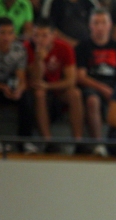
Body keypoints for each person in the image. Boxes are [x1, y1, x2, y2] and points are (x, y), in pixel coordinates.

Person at [76, 8, 116, 157]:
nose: (100, 27)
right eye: (96, 23)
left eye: (103, 23)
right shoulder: (83, 46)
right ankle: (98, 144)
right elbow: (80, 76)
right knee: (92, 100)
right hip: (92, 86)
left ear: (110, 25)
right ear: (90, 25)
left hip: (114, 87)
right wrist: (103, 88)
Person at [25, 17, 84, 153]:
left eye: (44, 35)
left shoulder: (64, 48)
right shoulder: (27, 48)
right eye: (36, 35)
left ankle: (78, 142)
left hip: (56, 88)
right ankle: (48, 142)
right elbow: (35, 80)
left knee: (75, 93)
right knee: (39, 93)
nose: (40, 39)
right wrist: (39, 60)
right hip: (36, 91)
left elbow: (71, 80)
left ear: (53, 35)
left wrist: (49, 86)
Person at [0, 16, 34, 153]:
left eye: (10, 33)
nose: (6, 37)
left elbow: (21, 77)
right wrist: (3, 88)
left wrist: (19, 89)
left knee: (26, 97)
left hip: (10, 85)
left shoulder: (19, 49)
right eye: (3, 33)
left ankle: (24, 141)